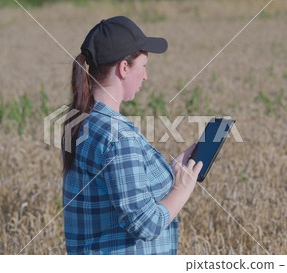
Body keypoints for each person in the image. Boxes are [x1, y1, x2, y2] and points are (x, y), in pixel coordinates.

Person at [61, 16, 202, 254]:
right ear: (124, 68)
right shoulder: (118, 137)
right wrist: (182, 189)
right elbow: (145, 225)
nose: (146, 76)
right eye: (144, 66)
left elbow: (120, 190)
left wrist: (170, 172)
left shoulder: (83, 122)